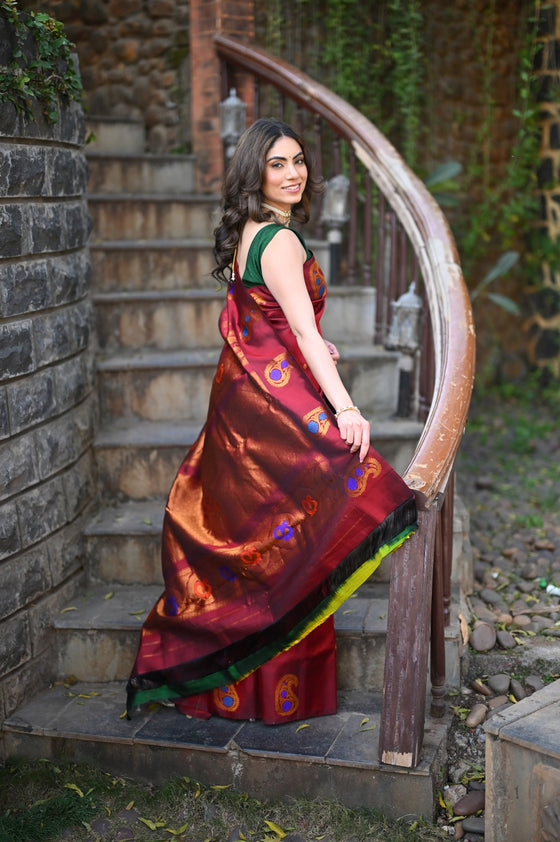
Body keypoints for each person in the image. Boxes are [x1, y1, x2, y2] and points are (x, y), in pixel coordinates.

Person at [126, 118, 417, 723]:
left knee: (256, 542)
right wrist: (345, 407)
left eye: (300, 161)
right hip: (269, 412)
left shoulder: (249, 234)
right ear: (256, 171)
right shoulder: (280, 241)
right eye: (278, 163)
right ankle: (276, 690)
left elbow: (267, 325)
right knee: (310, 523)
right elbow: (303, 330)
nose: (294, 173)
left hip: (240, 409)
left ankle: (229, 686)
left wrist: (311, 350)